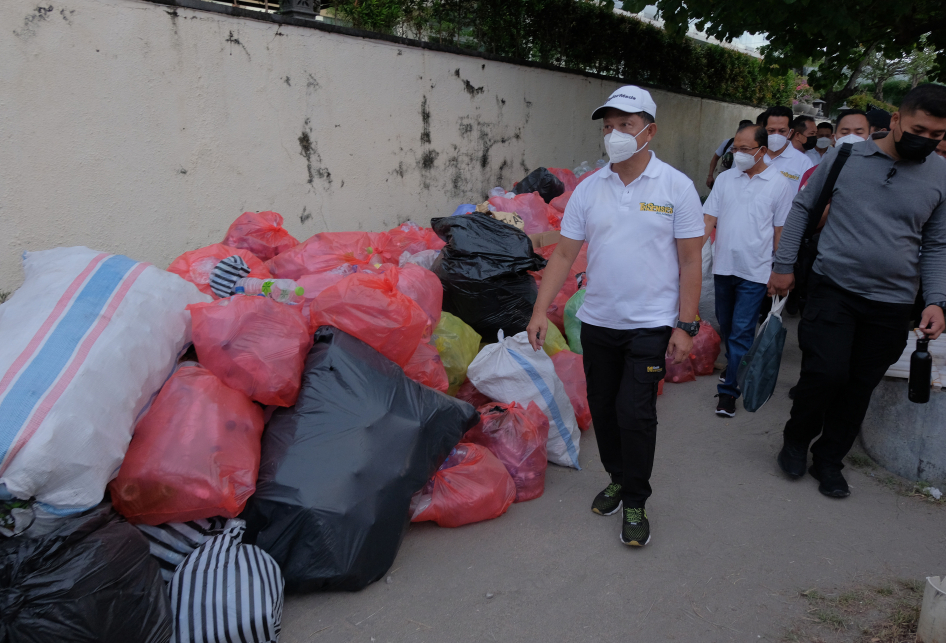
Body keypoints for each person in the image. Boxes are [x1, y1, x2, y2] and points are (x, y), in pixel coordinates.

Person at [526, 85, 703, 547]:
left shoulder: (676, 187)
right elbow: (564, 254)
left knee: (634, 413)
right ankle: (618, 478)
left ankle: (637, 500)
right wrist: (541, 310)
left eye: (625, 125)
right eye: (608, 127)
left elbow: (690, 261)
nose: (615, 134)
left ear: (649, 130)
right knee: (604, 411)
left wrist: (686, 325)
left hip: (650, 324)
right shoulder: (590, 189)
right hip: (599, 322)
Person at [768, 83, 946, 499]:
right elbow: (803, 208)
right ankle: (796, 438)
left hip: (892, 303)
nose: (929, 140)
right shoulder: (846, 155)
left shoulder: (941, 175)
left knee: (858, 385)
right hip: (834, 289)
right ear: (896, 120)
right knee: (825, 374)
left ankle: (829, 459)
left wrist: (936, 299)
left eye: (938, 136)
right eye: (920, 129)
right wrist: (783, 266)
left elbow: (937, 243)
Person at [702, 124, 795, 417]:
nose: (738, 154)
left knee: (741, 332)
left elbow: (780, 230)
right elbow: (708, 220)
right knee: (726, 324)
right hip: (724, 267)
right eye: (735, 149)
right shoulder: (725, 180)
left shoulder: (779, 184)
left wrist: (779, 269)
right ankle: (735, 365)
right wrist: (688, 255)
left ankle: (729, 392)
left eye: (745, 149)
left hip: (755, 272)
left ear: (762, 151)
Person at [762, 106, 814, 188]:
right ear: (763, 131)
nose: (776, 135)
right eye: (771, 131)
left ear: (790, 133)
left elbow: (807, 194)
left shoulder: (804, 162)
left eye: (782, 131)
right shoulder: (754, 156)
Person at [706, 119, 754, 188]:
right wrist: (710, 175)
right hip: (724, 180)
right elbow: (715, 158)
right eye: (734, 148)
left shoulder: (753, 148)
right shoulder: (728, 143)